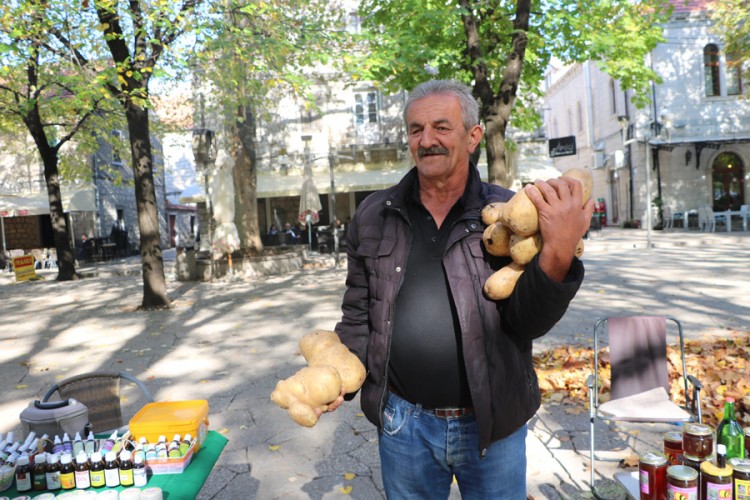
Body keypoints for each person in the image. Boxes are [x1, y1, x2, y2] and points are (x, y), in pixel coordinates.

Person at [327, 79, 593, 499]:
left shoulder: (507, 217)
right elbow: (359, 312)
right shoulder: (374, 215)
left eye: (441, 127)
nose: (426, 140)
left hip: (492, 422)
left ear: (472, 137)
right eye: (416, 129)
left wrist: (557, 253)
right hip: (402, 424)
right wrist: (337, 376)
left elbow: (528, 321)